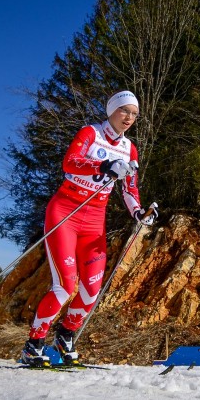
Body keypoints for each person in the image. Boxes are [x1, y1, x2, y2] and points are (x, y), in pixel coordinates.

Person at [21, 90, 158, 367]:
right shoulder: (90, 133)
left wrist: (139, 213)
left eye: (134, 114)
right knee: (65, 285)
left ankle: (65, 337)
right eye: (124, 111)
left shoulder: (130, 149)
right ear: (111, 111)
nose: (129, 118)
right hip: (66, 210)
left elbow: (130, 187)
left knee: (92, 288)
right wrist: (105, 164)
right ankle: (33, 344)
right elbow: (69, 162)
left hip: (95, 218)